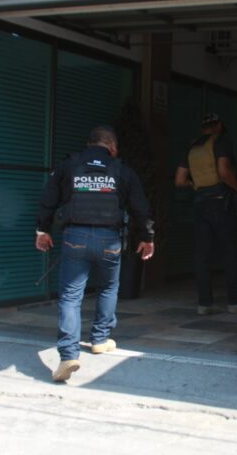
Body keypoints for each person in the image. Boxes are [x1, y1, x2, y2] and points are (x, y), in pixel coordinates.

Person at [36, 125, 155, 382]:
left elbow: (49, 199)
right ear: (112, 146)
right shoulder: (122, 170)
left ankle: (68, 355)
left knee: (70, 296)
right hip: (110, 239)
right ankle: (100, 339)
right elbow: (140, 207)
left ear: (89, 144)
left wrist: (42, 230)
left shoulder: (69, 166)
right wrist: (147, 238)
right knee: (109, 287)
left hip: (75, 237)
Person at [174, 113, 237, 315]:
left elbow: (179, 180)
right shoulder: (221, 142)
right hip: (221, 203)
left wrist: (195, 185)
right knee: (231, 253)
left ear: (203, 128)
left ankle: (204, 304)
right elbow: (224, 172)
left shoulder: (192, 147)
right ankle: (235, 302)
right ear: (219, 125)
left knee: (202, 256)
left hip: (200, 205)